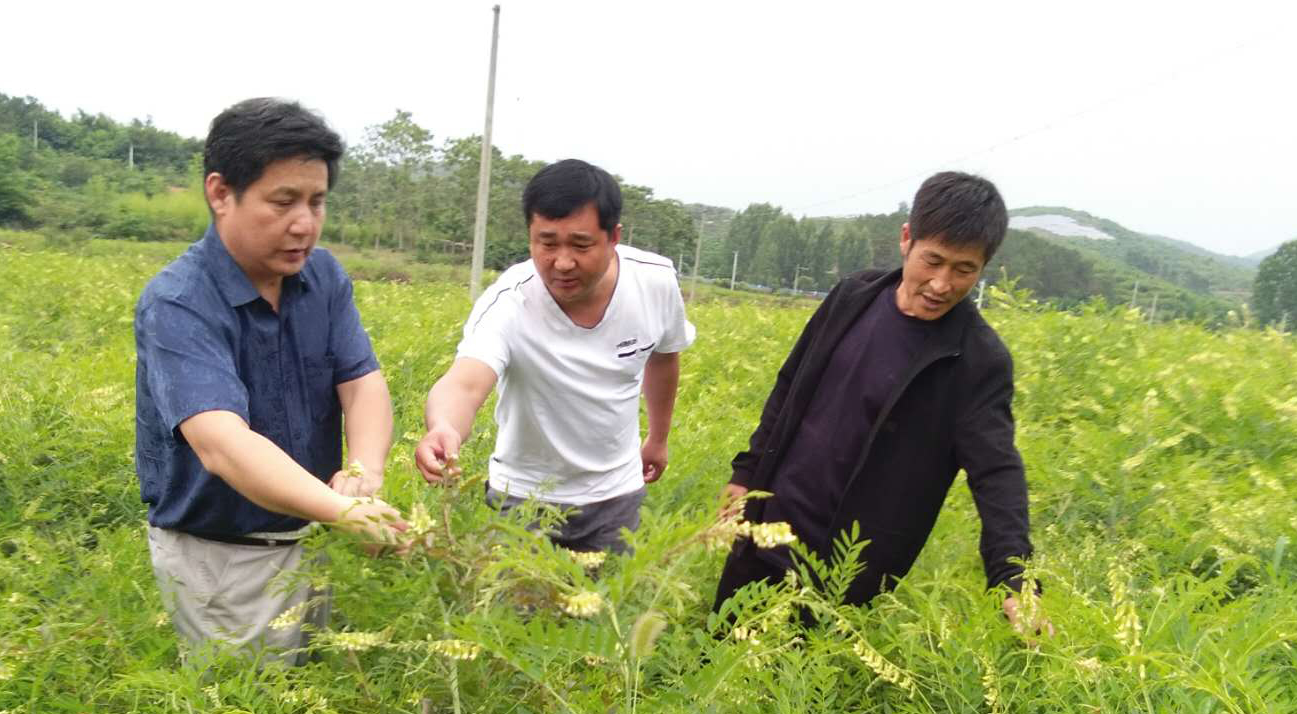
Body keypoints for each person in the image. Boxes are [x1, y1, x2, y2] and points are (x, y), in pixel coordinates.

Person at [134, 98, 405, 664]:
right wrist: (346, 512)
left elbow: (362, 384)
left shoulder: (322, 276)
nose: (304, 223)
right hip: (222, 558)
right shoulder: (179, 303)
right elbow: (223, 446)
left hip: (312, 535)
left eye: (316, 202)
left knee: (306, 704)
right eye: (282, 202)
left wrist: (363, 471)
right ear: (220, 192)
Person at [714, 171, 1041, 630]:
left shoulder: (978, 359)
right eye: (934, 260)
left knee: (802, 688)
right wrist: (746, 474)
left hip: (849, 568)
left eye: (964, 270)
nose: (943, 284)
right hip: (767, 529)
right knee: (721, 654)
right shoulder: (854, 298)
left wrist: (1014, 578)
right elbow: (790, 385)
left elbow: (997, 471)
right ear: (907, 239)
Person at [414, 159, 695, 554]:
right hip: (521, 500)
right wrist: (444, 426)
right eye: (547, 244)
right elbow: (466, 381)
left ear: (613, 236)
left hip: (616, 494)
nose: (562, 263)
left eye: (581, 245)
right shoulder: (510, 300)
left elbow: (664, 356)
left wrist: (659, 437)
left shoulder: (654, 281)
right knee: (514, 614)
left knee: (611, 612)